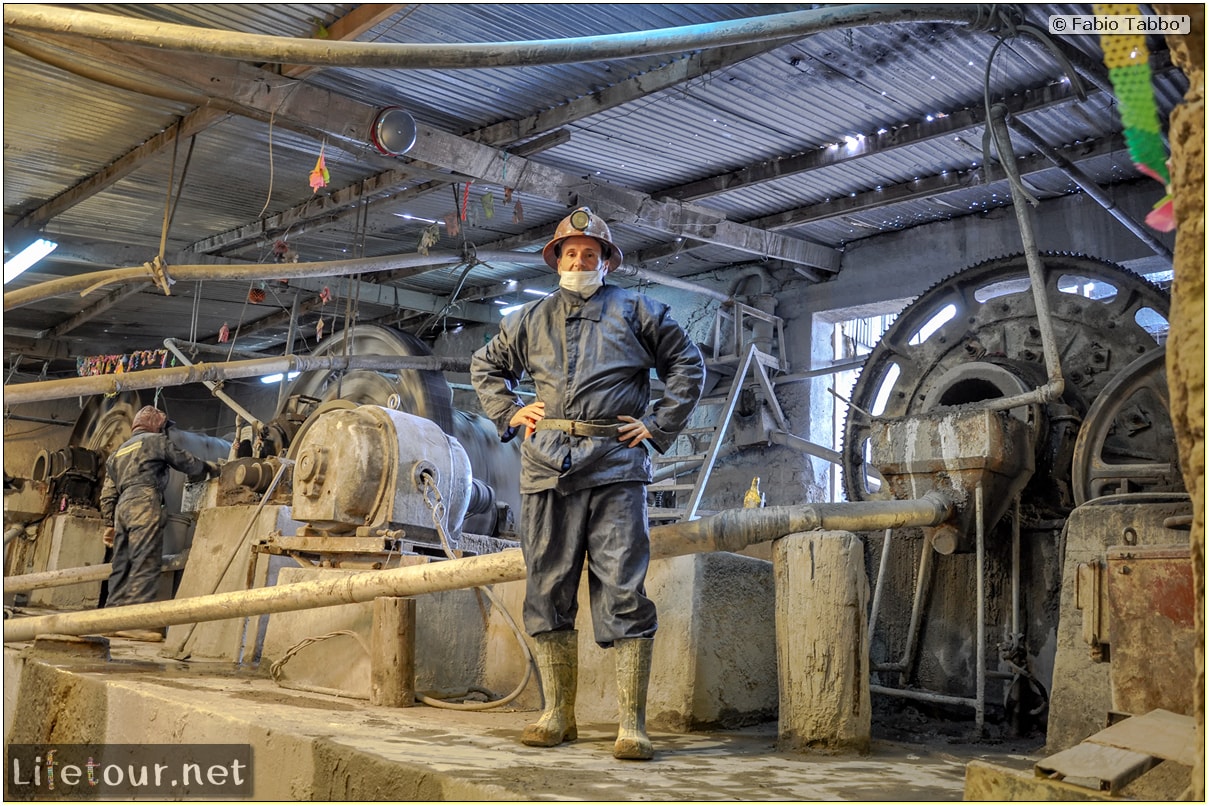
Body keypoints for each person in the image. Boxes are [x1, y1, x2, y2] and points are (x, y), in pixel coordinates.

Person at [471, 207, 705, 760]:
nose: (580, 261)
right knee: (547, 589)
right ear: (557, 259)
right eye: (571, 253)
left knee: (624, 587)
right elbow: (486, 366)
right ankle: (558, 715)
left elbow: (687, 365)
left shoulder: (638, 310)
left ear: (605, 261)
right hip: (546, 467)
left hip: (616, 466)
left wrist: (658, 424)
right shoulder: (528, 319)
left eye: (590, 254)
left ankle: (631, 722)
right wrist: (509, 412)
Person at [98, 405, 220, 641]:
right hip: (145, 501)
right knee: (146, 560)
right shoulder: (155, 441)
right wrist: (211, 468)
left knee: (122, 564)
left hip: (122, 508)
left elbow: (107, 494)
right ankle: (136, 624)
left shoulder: (118, 453)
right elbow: (187, 463)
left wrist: (109, 523)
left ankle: (110, 619)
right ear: (156, 425)